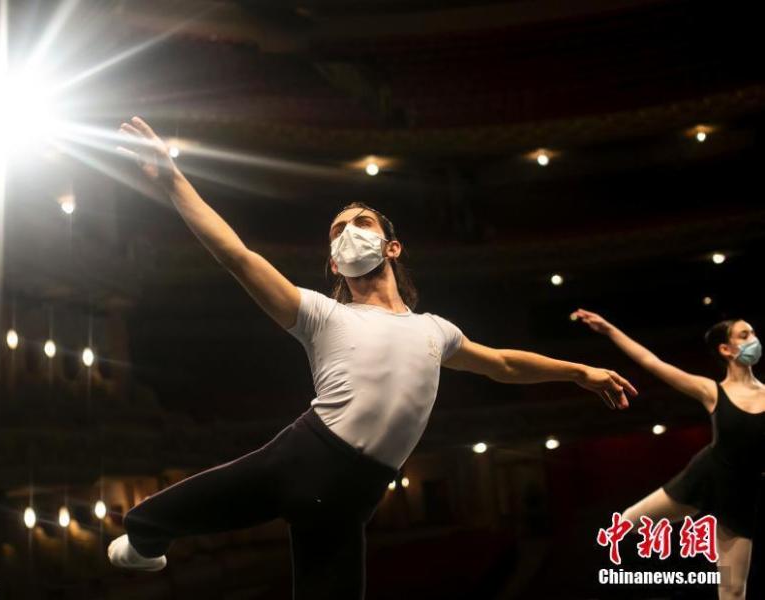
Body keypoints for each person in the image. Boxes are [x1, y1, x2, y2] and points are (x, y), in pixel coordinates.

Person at [106, 116, 637, 599]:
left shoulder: (435, 330)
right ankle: (143, 541)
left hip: (354, 498)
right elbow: (236, 256)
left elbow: (502, 363)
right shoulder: (320, 314)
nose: (348, 233)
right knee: (169, 513)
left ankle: (144, 538)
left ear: (392, 247)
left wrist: (579, 371)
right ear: (334, 264)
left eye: (360, 223)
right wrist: (172, 179)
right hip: (303, 457)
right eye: (337, 231)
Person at [572, 309, 764, 600]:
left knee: (734, 591)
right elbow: (652, 362)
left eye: (754, 333)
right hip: (706, 475)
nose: (754, 339)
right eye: (745, 335)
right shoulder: (712, 390)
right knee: (627, 522)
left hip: (740, 492)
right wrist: (608, 329)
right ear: (726, 349)